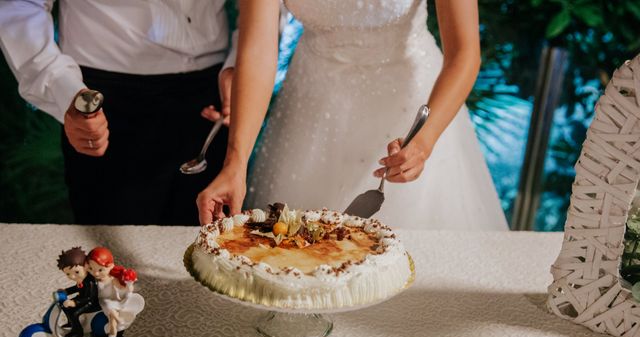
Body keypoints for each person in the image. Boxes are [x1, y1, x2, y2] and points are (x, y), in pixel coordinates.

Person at [196, 0, 508, 230]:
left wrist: (424, 142)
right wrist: (235, 163)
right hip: (312, 110)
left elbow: (464, 54)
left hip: (411, 108)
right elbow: (259, 49)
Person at [0, 0, 237, 225]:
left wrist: (242, 66)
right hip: (105, 96)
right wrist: (64, 89)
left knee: (210, 246)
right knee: (110, 252)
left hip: (216, 90)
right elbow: (20, 6)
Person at [56, 246, 100, 337]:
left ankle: (78, 332)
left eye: (76, 272)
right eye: (68, 274)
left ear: (86, 266)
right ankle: (72, 323)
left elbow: (89, 297)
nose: (72, 276)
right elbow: (77, 288)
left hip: (91, 303)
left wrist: (74, 302)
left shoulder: (90, 282)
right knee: (64, 306)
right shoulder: (81, 279)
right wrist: (66, 291)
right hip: (82, 299)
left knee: (74, 313)